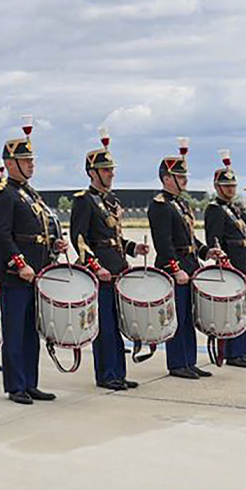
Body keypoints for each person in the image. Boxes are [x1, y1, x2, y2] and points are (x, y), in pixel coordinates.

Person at [0, 124, 62, 405]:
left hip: (36, 273)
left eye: (32, 161)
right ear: (10, 163)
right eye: (26, 161)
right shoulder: (3, 194)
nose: (31, 165)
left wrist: (54, 245)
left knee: (31, 332)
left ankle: (31, 381)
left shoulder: (30, 194)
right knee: (15, 332)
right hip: (15, 274)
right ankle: (16, 385)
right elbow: (1, 235)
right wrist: (19, 264)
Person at [70, 133, 144, 393]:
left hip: (118, 271)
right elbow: (79, 239)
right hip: (100, 273)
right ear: (93, 173)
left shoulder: (111, 200)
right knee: (106, 328)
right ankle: (107, 374)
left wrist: (134, 248)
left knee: (118, 324)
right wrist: (94, 266)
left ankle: (119, 373)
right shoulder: (84, 201)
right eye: (106, 170)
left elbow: (115, 238)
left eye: (112, 169)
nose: (111, 174)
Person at [148, 143, 213, 378]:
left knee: (189, 317)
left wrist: (206, 253)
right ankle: (177, 363)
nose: (184, 180)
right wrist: (175, 270)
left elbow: (190, 238)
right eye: (179, 176)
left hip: (190, 266)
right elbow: (163, 243)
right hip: (174, 269)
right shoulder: (160, 205)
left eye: (185, 176)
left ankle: (189, 361)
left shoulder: (180, 203)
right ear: (166, 179)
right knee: (178, 318)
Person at [203, 153, 246, 369]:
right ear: (217, 187)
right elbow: (214, 239)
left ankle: (242, 350)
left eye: (233, 185)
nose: (231, 189)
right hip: (229, 264)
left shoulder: (235, 209)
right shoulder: (215, 210)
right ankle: (233, 352)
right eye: (226, 186)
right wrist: (223, 261)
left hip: (242, 261)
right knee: (232, 310)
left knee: (242, 309)